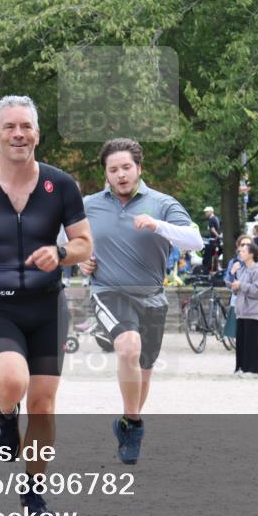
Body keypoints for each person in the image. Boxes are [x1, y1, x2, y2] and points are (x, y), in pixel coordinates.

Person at [0, 95, 92, 516]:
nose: (18, 134)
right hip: (2, 306)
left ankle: (33, 493)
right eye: (10, 127)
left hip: (48, 307)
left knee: (43, 405)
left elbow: (84, 243)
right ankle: (6, 414)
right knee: (11, 382)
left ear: (37, 134)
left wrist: (61, 253)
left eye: (26, 126)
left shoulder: (60, 185)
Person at [78, 138, 202, 465]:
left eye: (126, 168)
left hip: (152, 297)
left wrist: (157, 225)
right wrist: (79, 261)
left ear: (139, 169)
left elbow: (195, 239)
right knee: (128, 347)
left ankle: (128, 420)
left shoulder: (162, 204)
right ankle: (134, 426)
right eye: (113, 169)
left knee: (144, 371)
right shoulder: (89, 204)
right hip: (108, 291)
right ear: (105, 173)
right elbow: (66, 241)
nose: (120, 175)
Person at [231, 241, 258, 376]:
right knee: (241, 340)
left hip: (254, 309)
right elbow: (238, 288)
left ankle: (255, 369)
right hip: (242, 310)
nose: (240, 253)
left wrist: (241, 285)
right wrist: (234, 281)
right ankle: (241, 367)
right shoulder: (242, 269)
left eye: (243, 251)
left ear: (251, 254)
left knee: (251, 340)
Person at [202, 206, 221, 273]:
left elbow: (212, 230)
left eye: (206, 212)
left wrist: (217, 236)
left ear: (211, 212)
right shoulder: (216, 218)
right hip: (216, 240)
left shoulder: (211, 219)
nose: (205, 213)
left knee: (208, 256)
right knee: (215, 255)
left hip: (213, 240)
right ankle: (216, 268)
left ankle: (208, 269)